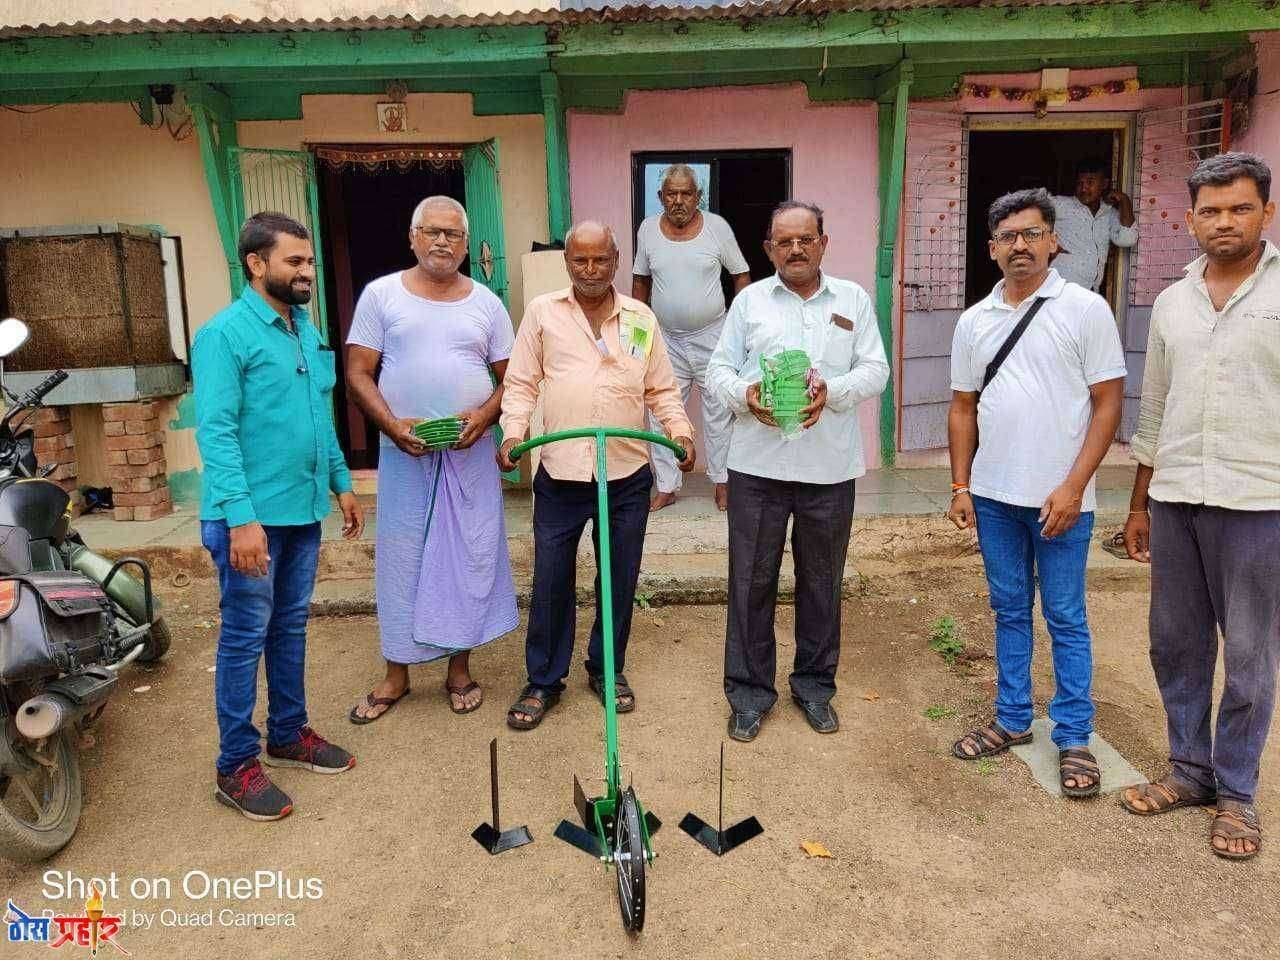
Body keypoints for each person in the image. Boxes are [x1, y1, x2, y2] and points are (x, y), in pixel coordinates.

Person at [1120, 153, 1278, 860]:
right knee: (1176, 644)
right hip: (1177, 495)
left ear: (1266, 213)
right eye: (1210, 211)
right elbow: (1152, 409)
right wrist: (1139, 503)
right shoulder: (1172, 302)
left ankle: (1237, 791)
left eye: (1239, 208)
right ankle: (1190, 769)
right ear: (1188, 220)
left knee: (1248, 656)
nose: (1224, 222)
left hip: (1259, 500)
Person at [945, 188, 1126, 798]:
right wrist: (962, 484)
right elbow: (963, 406)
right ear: (991, 247)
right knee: (1009, 610)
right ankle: (1014, 719)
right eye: (1008, 236)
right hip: (994, 498)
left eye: (1032, 234)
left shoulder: (1085, 309)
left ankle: (1075, 736)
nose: (1020, 246)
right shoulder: (974, 320)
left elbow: (1108, 403)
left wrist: (1074, 486)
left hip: (1061, 502)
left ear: (1054, 241)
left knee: (1067, 616)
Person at [194, 211, 364, 822]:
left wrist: (343, 484)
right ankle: (235, 765)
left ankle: (288, 733)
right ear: (256, 264)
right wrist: (241, 519)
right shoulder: (226, 335)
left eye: (310, 262)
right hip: (249, 521)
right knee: (244, 637)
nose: (306, 272)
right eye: (294, 261)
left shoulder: (302, 330)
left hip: (300, 511)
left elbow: (321, 417)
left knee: (288, 628)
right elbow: (214, 432)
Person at [497, 220, 695, 729]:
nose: (590, 270)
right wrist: (513, 434)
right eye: (580, 260)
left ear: (615, 259)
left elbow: (661, 391)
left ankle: (608, 670)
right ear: (567, 263)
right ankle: (543, 680)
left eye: (600, 259)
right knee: (552, 580)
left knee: (619, 578)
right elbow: (520, 382)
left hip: (626, 473)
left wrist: (681, 432)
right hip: (560, 473)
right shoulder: (542, 313)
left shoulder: (639, 318)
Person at [706, 201, 888, 742]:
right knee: (750, 581)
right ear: (768, 250)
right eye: (784, 242)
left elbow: (875, 369)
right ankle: (748, 693)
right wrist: (746, 395)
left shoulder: (852, 299)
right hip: (756, 468)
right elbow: (717, 370)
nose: (796, 249)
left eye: (806, 239)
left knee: (822, 582)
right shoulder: (749, 303)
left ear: (823, 243)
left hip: (829, 468)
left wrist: (834, 393)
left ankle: (813, 687)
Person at [344, 196, 518, 724]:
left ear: (466, 244)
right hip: (405, 454)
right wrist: (394, 427)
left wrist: (485, 418)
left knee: (467, 555)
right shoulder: (381, 296)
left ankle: (459, 669)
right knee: (402, 558)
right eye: (432, 232)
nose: (443, 241)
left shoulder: (487, 303)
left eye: (453, 234)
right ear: (413, 237)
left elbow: (513, 379)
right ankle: (396, 675)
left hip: (469, 456)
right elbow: (357, 374)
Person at [632, 163, 750, 512]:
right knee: (661, 412)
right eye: (672, 194)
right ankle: (667, 485)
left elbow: (740, 275)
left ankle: (722, 482)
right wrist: (638, 340)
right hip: (666, 338)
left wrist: (736, 328)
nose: (679, 200)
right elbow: (640, 282)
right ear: (660, 197)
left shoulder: (717, 228)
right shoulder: (647, 230)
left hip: (713, 335)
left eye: (687, 193)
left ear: (699, 197)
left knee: (719, 411)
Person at [1051, 159, 1137, 292]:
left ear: (1104, 184)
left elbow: (1127, 239)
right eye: (1080, 183)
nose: (1084, 188)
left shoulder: (1108, 213)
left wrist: (1124, 200)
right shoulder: (1061, 205)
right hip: (1060, 291)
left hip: (1089, 293)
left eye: (1090, 182)